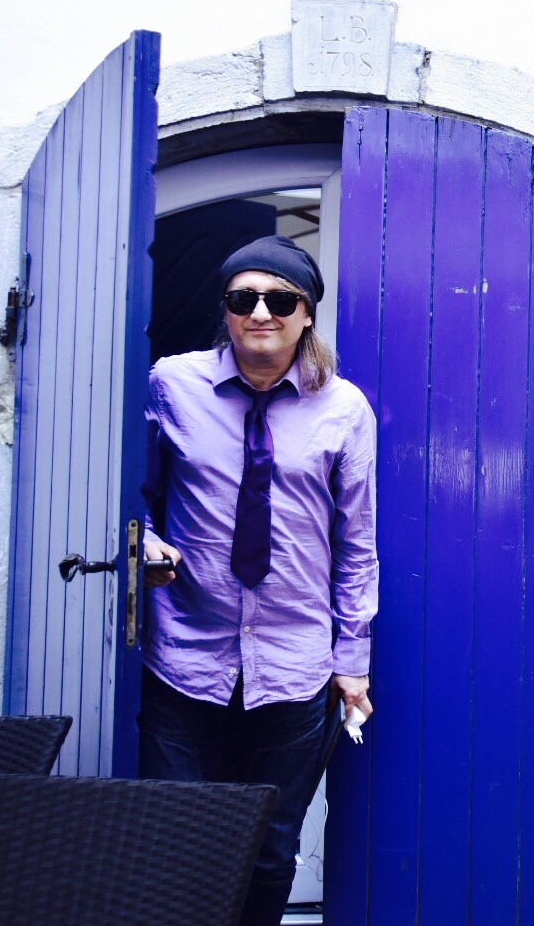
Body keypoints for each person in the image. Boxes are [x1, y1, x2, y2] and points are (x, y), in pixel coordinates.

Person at [138, 234, 378, 926]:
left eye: (280, 299)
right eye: (244, 298)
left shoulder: (343, 409)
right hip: (185, 656)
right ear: (226, 310)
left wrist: (352, 660)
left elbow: (357, 542)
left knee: (271, 849)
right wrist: (144, 540)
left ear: (307, 314)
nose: (261, 312)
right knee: (176, 840)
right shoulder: (172, 385)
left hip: (293, 664)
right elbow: (132, 493)